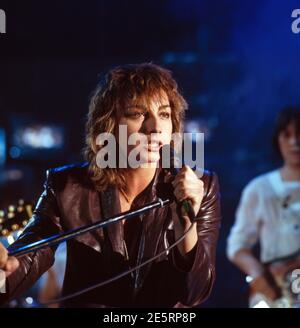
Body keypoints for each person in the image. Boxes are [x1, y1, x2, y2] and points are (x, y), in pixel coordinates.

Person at [0, 63, 221, 308]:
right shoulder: (67, 186)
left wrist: (185, 223)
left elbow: (196, 292)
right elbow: (32, 252)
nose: (155, 128)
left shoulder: (201, 187)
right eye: (137, 114)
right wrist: (4, 270)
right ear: (110, 124)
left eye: (165, 115)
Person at [227, 107, 300, 307]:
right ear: (278, 139)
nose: (295, 142)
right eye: (287, 135)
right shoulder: (259, 189)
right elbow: (237, 245)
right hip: (276, 294)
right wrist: (258, 275)